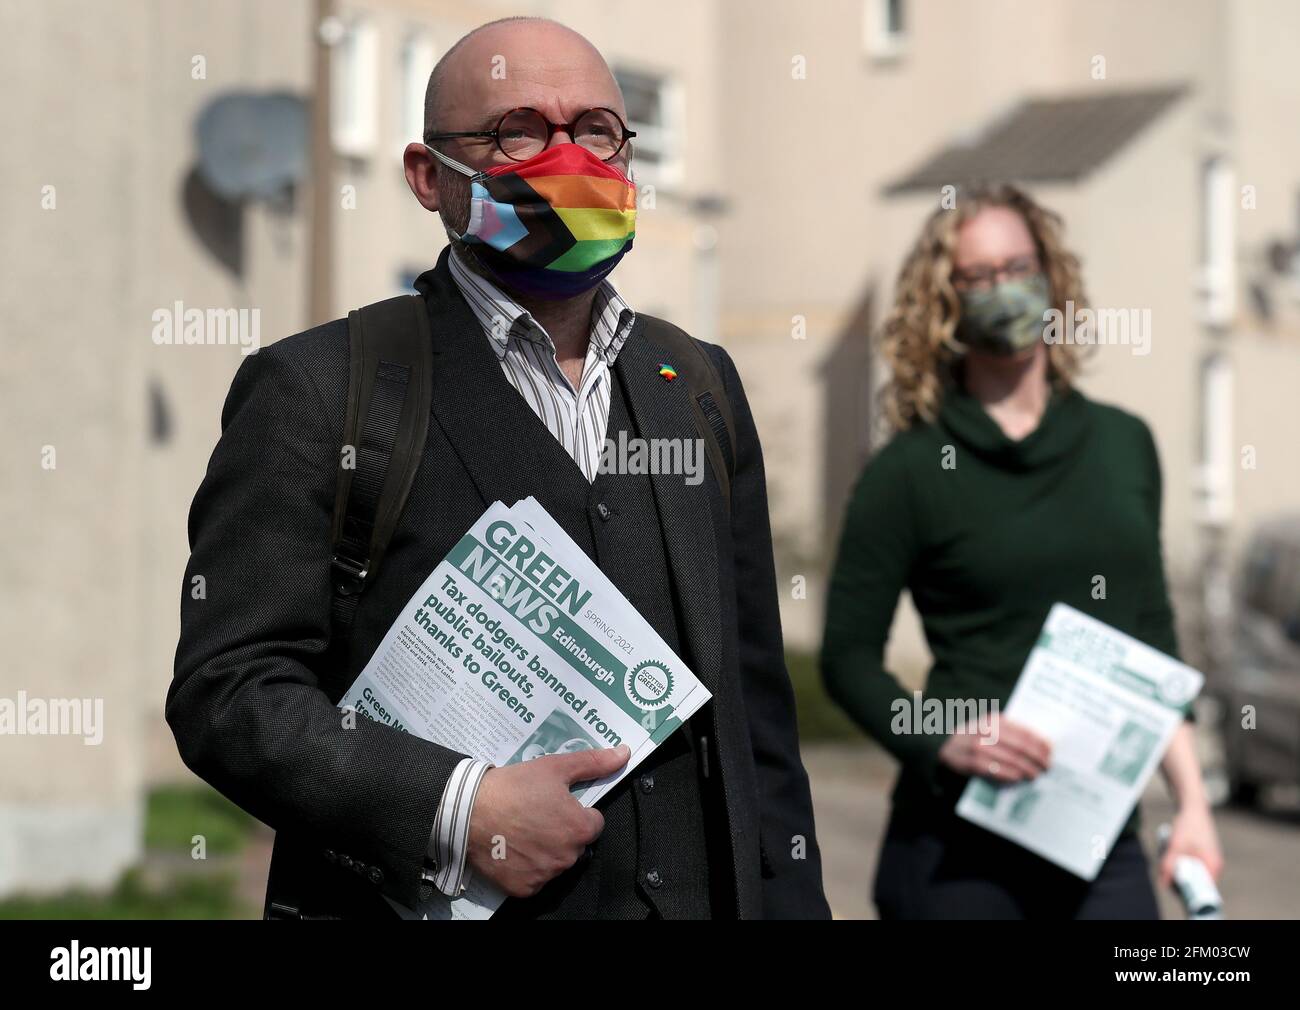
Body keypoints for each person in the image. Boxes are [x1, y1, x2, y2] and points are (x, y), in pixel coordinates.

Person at [168, 16, 829, 920]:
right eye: (520, 129)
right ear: (428, 176)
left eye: (597, 130)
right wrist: (456, 807)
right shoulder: (320, 390)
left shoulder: (698, 383)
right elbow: (229, 693)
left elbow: (756, 713)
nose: (569, 159)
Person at [820, 182, 1223, 919]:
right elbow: (846, 657)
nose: (1003, 289)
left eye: (1018, 266)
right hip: (955, 849)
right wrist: (940, 738)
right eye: (978, 276)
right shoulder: (908, 470)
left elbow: (1152, 638)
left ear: (1051, 275)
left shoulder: (1124, 444)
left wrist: (1193, 804)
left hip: (1099, 839)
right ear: (946, 300)